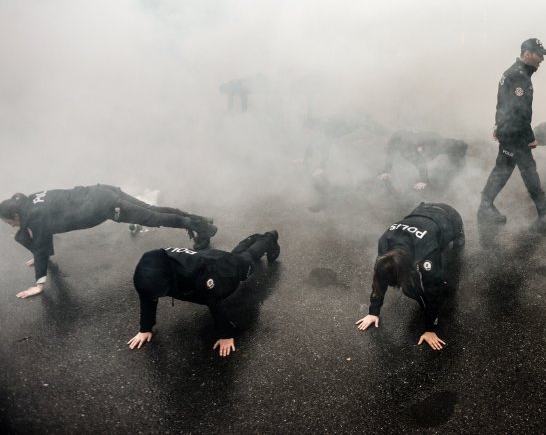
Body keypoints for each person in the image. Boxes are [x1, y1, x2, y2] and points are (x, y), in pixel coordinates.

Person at [0, 185, 217, 299]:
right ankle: (201, 221)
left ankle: (202, 228)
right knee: (153, 211)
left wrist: (39, 284)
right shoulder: (29, 201)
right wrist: (41, 253)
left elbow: (40, 244)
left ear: (15, 215)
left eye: (9, 222)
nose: (10, 226)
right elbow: (43, 234)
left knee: (154, 218)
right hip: (102, 191)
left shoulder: (34, 217)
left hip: (105, 204)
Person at [128, 231, 280, 357]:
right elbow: (147, 297)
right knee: (236, 256)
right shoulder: (150, 265)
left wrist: (226, 335)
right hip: (210, 258)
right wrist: (145, 328)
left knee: (247, 262)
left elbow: (215, 301)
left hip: (223, 273)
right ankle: (251, 240)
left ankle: (268, 238)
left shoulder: (194, 273)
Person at [356, 203, 464, 350]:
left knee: (451, 264)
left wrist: (430, 328)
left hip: (449, 217)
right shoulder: (384, 243)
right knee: (413, 288)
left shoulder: (426, 253)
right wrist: (373, 312)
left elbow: (432, 290)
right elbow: (379, 278)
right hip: (421, 211)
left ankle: (458, 240)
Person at [477, 37, 546, 223]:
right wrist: (529, 137)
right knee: (504, 169)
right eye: (539, 54)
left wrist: (497, 125)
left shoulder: (516, 72)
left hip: (510, 129)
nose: (542, 59)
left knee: (528, 168)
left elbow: (502, 103)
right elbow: (519, 111)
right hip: (513, 133)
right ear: (527, 54)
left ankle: (541, 202)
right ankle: (485, 206)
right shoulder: (519, 76)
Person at [303, 112, 387, 212]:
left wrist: (321, 166)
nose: (306, 132)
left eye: (307, 129)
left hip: (360, 125)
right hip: (356, 125)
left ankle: (374, 187)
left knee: (383, 135)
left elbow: (326, 147)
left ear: (312, 126)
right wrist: (306, 158)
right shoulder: (322, 126)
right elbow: (314, 142)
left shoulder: (326, 127)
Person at [377, 130, 468, 190]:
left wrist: (424, 181)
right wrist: (386, 171)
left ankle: (462, 146)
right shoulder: (394, 140)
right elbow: (390, 155)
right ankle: (460, 146)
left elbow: (420, 163)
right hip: (426, 141)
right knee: (443, 146)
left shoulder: (407, 148)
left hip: (432, 141)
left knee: (447, 147)